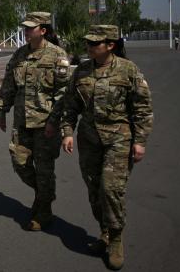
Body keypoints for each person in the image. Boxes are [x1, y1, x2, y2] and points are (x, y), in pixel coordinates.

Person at [60, 25, 153, 270]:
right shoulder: (80, 71)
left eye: (94, 43)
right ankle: (105, 233)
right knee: (94, 190)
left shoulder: (128, 70)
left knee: (110, 189)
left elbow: (142, 108)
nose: (89, 47)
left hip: (118, 139)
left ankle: (116, 238)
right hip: (89, 140)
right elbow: (70, 106)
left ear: (110, 45)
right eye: (88, 43)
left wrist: (140, 141)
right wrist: (67, 132)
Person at [0, 12, 70, 230]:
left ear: (43, 30)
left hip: (46, 124)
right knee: (20, 163)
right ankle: (44, 193)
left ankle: (43, 210)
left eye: (30, 28)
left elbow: (63, 92)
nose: (26, 31)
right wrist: (2, 110)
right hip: (22, 122)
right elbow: (8, 84)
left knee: (45, 169)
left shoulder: (57, 56)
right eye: (25, 28)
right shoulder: (19, 55)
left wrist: (55, 122)